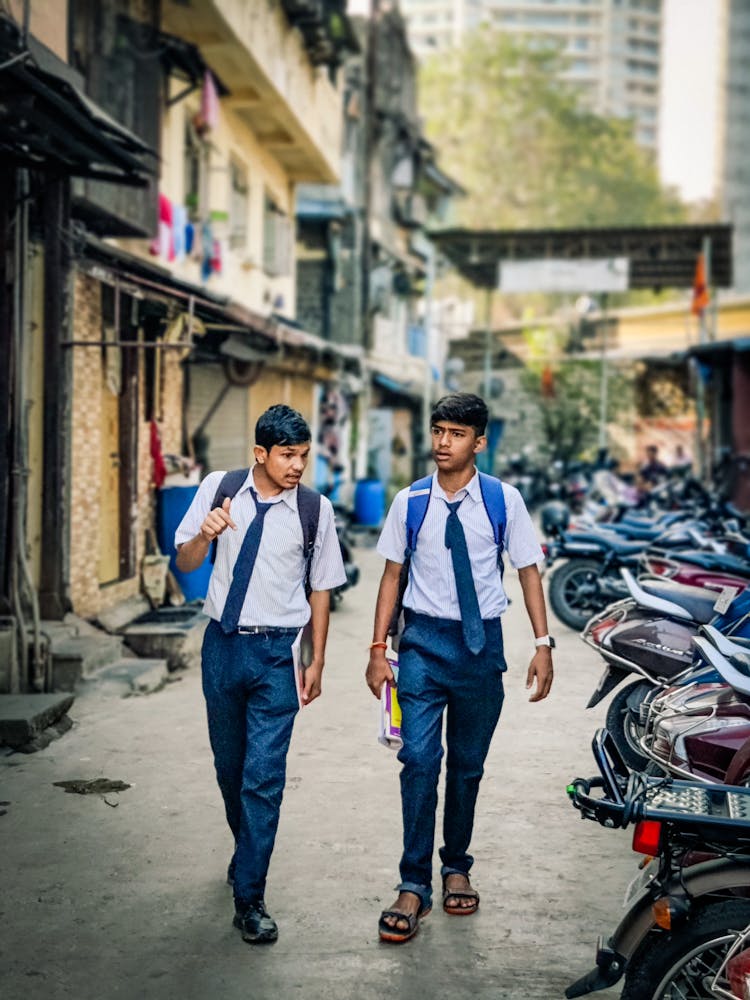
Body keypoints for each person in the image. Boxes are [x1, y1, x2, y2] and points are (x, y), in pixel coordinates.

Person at [365, 392, 554, 944]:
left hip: (480, 649)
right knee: (419, 760)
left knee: (467, 767)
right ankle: (411, 884)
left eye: (456, 433)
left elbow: (528, 571)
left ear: (479, 441)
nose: (443, 442)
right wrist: (378, 648)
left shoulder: (503, 501)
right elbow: (391, 576)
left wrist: (542, 644)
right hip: (422, 644)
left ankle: (456, 867)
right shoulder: (411, 502)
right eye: (438, 431)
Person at [175, 404, 346, 944]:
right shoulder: (218, 488)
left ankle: (250, 896)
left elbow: (322, 587)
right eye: (287, 455)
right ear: (260, 454)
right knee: (230, 770)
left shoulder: (314, 510)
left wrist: (316, 657)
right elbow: (183, 561)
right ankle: (244, 852)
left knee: (263, 778)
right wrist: (205, 535)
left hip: (277, 655)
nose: (297, 466)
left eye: (303, 456)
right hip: (222, 648)